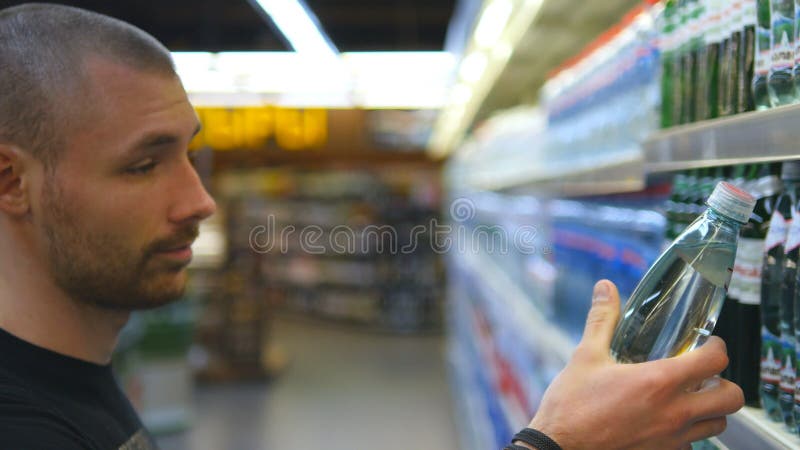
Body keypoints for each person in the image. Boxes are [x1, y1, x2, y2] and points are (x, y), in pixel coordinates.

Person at [0, 4, 743, 450]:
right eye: (142, 166)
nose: (200, 201)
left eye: (190, 157)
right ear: (12, 181)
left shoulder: (72, 384)